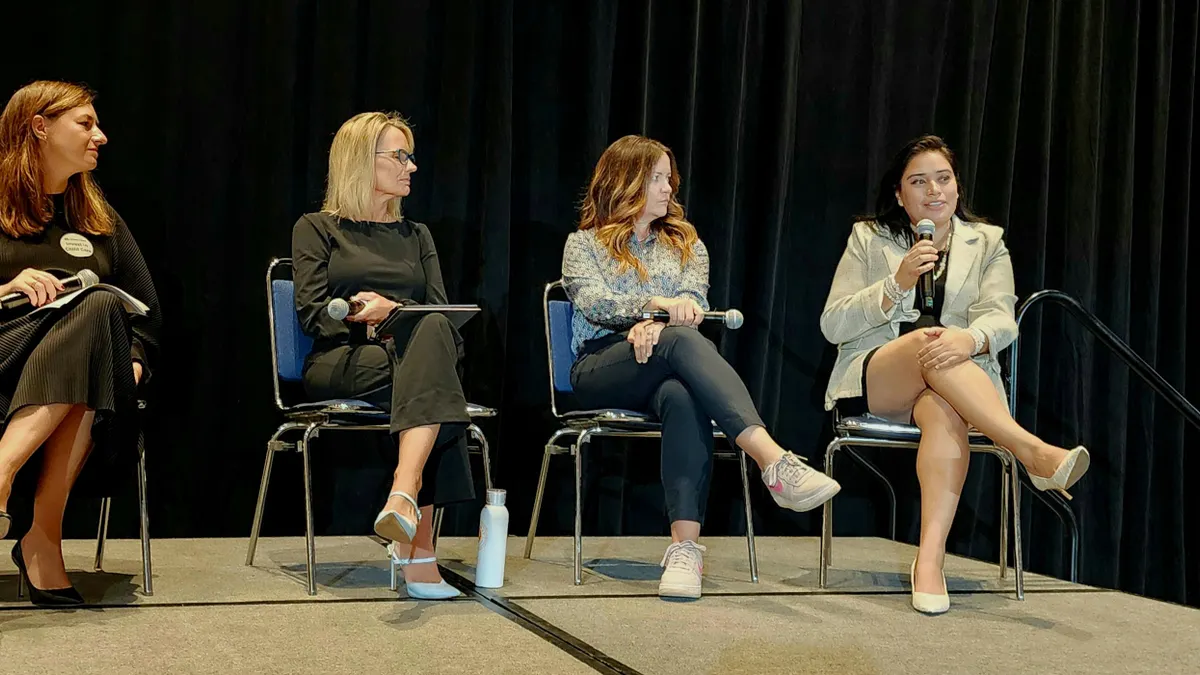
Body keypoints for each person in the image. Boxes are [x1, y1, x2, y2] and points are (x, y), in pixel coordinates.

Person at [562, 135, 841, 600]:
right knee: (678, 341)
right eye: (656, 178)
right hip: (601, 364)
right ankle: (772, 460)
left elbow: (694, 303)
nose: (668, 187)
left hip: (668, 359)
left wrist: (661, 322)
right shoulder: (583, 244)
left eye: (668, 178)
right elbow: (594, 303)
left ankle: (685, 548)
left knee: (682, 392)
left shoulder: (688, 244)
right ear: (625, 181)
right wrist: (650, 310)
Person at [820, 134, 1090, 614]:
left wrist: (970, 339)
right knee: (927, 341)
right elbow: (833, 324)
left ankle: (929, 561)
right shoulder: (869, 238)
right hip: (880, 378)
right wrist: (896, 283)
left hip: (954, 387)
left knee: (945, 410)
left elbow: (1000, 318)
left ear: (957, 187)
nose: (934, 191)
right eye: (918, 182)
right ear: (900, 194)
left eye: (943, 179)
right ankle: (1030, 451)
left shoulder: (988, 243)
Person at [292, 111, 472, 600]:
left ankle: (403, 495)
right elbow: (312, 314)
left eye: (410, 157)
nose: (412, 166)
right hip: (343, 360)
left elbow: (439, 313)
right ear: (360, 160)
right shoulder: (317, 228)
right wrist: (361, 315)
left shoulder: (418, 235)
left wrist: (395, 312)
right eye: (400, 156)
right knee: (438, 385)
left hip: (412, 359)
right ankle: (417, 543)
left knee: (431, 351)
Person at [0, 81, 161, 606]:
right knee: (95, 315)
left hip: (80, 374)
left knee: (97, 307)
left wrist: (132, 361)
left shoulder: (97, 216)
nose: (101, 136)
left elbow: (146, 311)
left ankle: (16, 497)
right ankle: (40, 534)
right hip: (5, 355)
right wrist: (6, 288)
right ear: (39, 127)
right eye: (85, 124)